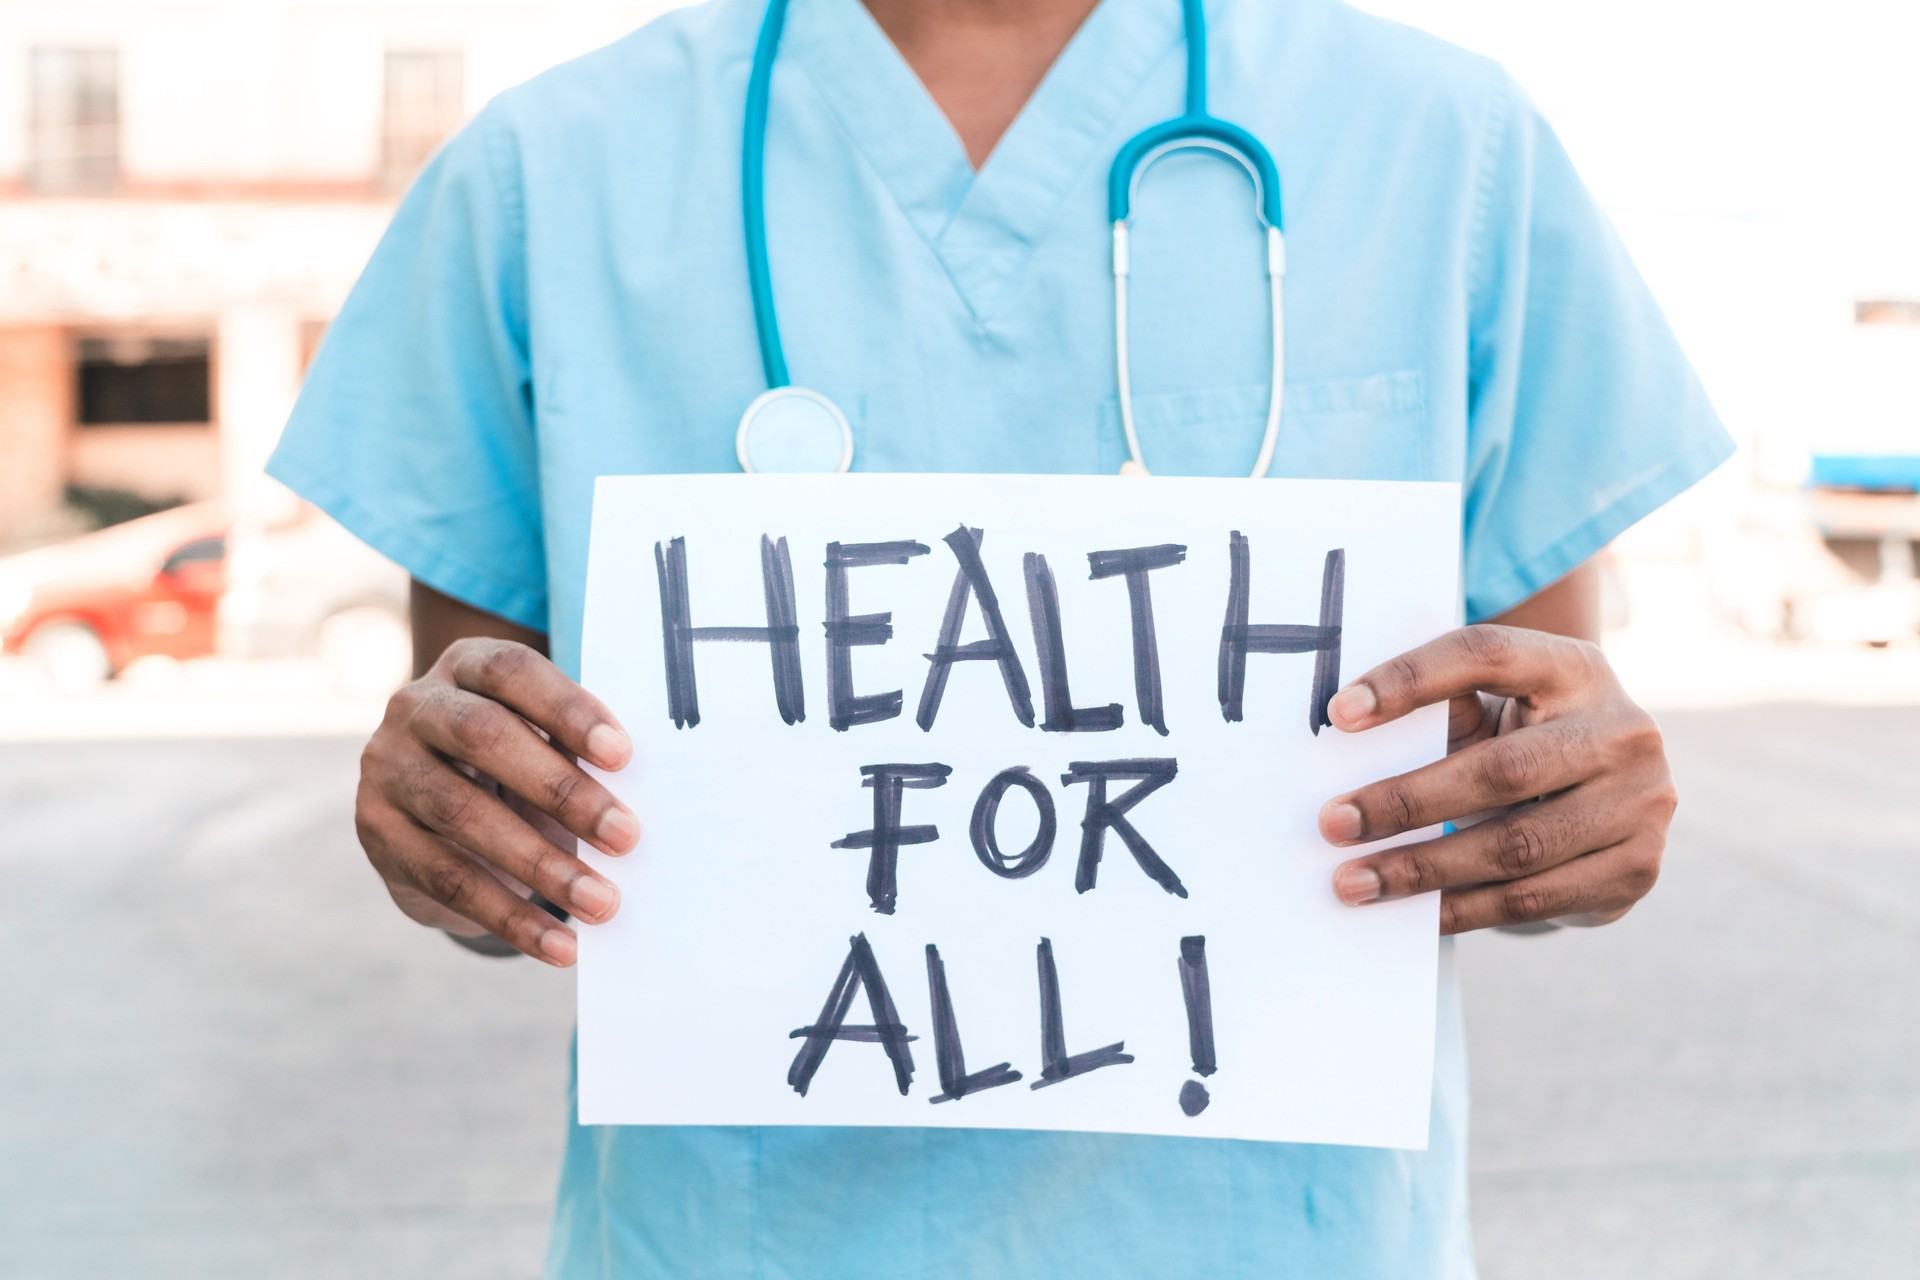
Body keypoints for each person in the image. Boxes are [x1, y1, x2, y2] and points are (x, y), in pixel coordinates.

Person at [268, 0, 1732, 1272]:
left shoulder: (1443, 146)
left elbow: (1533, 777)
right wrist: (446, 830)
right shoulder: (544, 174)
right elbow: (495, 848)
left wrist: (1581, 823)